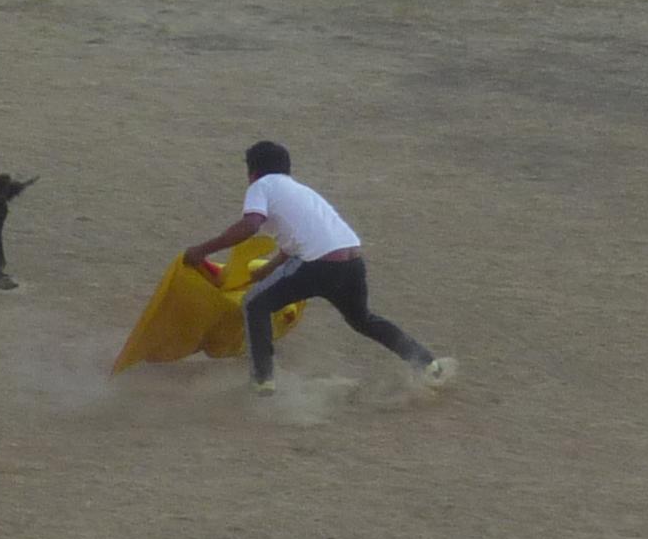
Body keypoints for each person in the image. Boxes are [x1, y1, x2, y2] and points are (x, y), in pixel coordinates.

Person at [180, 140, 454, 393]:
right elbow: (296, 241)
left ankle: (262, 380)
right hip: (352, 262)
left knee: (255, 304)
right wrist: (268, 269)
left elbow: (250, 225)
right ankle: (428, 364)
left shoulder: (261, 186)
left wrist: (201, 250)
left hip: (318, 265)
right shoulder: (300, 191)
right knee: (363, 319)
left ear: (253, 172)